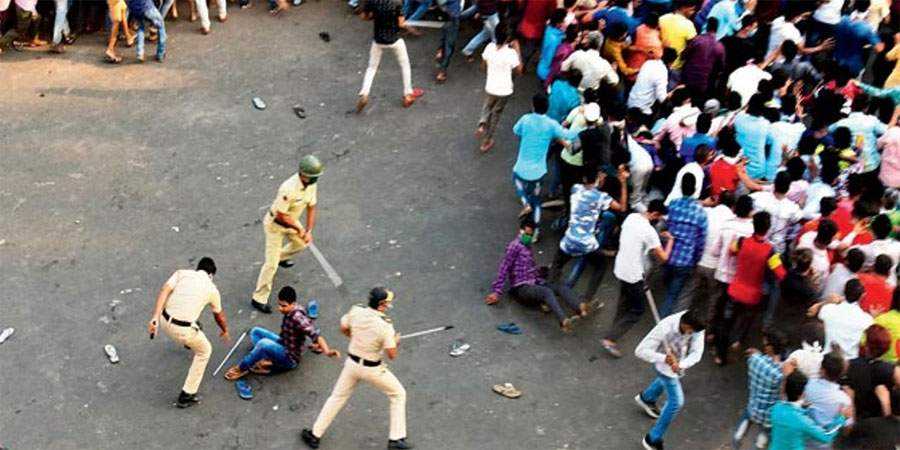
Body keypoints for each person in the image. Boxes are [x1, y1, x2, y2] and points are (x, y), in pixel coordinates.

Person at [302, 288, 413, 450]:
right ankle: (395, 439)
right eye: (387, 303)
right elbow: (392, 354)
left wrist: (358, 337)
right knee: (398, 394)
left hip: (352, 364)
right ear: (381, 305)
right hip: (372, 369)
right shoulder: (385, 325)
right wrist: (395, 341)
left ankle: (315, 435)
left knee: (337, 397)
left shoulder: (357, 310)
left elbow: (344, 327)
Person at [147, 257, 229, 408]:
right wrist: (224, 330)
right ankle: (187, 394)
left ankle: (188, 343)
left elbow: (165, 290)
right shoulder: (212, 289)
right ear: (211, 275)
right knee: (205, 351)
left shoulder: (182, 273)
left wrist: (155, 317)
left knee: (197, 324)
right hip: (182, 330)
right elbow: (219, 316)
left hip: (164, 320)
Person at [486, 219, 588, 332]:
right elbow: (504, 268)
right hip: (521, 288)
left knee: (559, 287)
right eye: (526, 234)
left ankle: (579, 307)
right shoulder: (514, 246)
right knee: (546, 292)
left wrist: (543, 271)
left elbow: (530, 268)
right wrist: (496, 292)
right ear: (520, 231)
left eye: (530, 235)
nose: (528, 237)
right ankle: (563, 321)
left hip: (534, 282)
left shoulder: (527, 246)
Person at [601, 200, 673, 358]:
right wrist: (670, 241)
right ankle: (610, 338)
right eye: (659, 218)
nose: (659, 221)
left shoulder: (631, 217)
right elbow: (663, 258)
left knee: (624, 301)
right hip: (634, 274)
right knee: (637, 309)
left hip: (620, 267)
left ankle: (614, 330)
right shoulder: (649, 231)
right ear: (655, 214)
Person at [251, 155, 323, 314]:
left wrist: (308, 230)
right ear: (304, 175)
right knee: (270, 265)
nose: (315, 179)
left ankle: (281, 257)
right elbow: (280, 216)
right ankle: (259, 298)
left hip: (291, 220)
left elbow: (312, 207)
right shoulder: (288, 188)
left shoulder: (311, 185)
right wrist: (299, 229)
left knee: (302, 243)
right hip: (275, 225)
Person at [225, 286, 340, 380]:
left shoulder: (297, 318)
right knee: (255, 332)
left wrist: (327, 351)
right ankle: (265, 356)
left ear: (292, 304)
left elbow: (315, 335)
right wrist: (314, 345)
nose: (280, 308)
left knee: (263, 344)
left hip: (289, 357)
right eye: (279, 304)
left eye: (283, 306)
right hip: (283, 342)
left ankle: (243, 368)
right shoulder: (293, 309)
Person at [716, 212, 785, 365]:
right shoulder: (770, 251)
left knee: (727, 322)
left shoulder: (741, 242)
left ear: (753, 225)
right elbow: (780, 274)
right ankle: (737, 341)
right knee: (746, 319)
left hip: (735, 289)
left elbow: (731, 252)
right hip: (753, 295)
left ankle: (720, 355)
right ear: (768, 228)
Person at [550, 166, 628, 297]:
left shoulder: (575, 189)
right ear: (597, 179)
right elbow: (622, 208)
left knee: (557, 264)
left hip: (569, 238)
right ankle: (587, 298)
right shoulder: (601, 197)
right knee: (600, 266)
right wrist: (623, 183)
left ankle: (550, 293)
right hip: (587, 243)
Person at [634, 309, 706, 450]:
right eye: (691, 332)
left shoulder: (697, 326)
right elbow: (640, 351)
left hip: (677, 363)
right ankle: (652, 439)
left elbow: (697, 353)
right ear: (685, 325)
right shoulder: (664, 327)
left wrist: (681, 365)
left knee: (669, 380)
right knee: (676, 402)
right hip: (662, 368)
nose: (693, 335)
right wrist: (664, 358)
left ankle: (647, 398)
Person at [512, 95, 577, 240]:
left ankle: (525, 203)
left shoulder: (525, 119)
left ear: (533, 105)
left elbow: (516, 130)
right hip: (538, 173)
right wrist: (581, 124)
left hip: (521, 168)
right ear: (547, 108)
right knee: (536, 201)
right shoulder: (551, 124)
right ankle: (535, 232)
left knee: (516, 179)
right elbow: (568, 134)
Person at [356, 0, 425, 113]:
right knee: (405, 65)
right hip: (394, 39)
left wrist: (373, 17)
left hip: (378, 39)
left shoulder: (373, 1)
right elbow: (401, 23)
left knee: (372, 68)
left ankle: (364, 92)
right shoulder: (397, 2)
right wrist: (410, 28)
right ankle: (407, 93)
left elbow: (364, 16)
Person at [659, 173, 708, 317]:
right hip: (685, 260)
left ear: (681, 187)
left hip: (668, 255)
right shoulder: (700, 212)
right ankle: (662, 323)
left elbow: (667, 225)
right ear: (695, 189)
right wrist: (696, 260)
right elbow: (701, 241)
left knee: (668, 287)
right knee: (672, 296)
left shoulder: (673, 204)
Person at [731, 331, 788, 450]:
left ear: (770, 348)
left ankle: (737, 440)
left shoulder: (754, 359)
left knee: (744, 422)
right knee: (762, 440)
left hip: (753, 407)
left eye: (765, 344)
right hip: (768, 416)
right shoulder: (779, 375)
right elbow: (783, 394)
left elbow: (760, 360)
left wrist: (759, 354)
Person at [767, 371, 849, 450]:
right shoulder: (802, 421)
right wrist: (841, 418)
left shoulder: (776, 407)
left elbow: (788, 419)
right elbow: (826, 436)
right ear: (802, 393)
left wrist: (802, 408)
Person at [477, 26, 523, 153]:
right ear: (508, 39)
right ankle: (487, 140)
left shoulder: (489, 47)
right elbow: (519, 71)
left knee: (487, 105)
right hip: (505, 89)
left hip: (491, 85)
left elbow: (483, 66)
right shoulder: (511, 54)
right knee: (496, 113)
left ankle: (482, 123)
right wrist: (517, 49)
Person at [845, 324, 900, 420]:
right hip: (882, 420)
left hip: (857, 418)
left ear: (867, 345)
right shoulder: (891, 370)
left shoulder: (849, 365)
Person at [809, 279, 874, 359]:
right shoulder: (867, 320)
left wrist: (828, 302)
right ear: (862, 295)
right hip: (849, 360)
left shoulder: (828, 309)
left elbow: (820, 311)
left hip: (826, 357)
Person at [804, 351, 853, 450]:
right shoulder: (844, 399)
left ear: (822, 369)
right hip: (826, 446)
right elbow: (848, 430)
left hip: (803, 443)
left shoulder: (806, 385)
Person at [833, 0, 884, 77]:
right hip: (853, 64)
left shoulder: (843, 19)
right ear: (867, 8)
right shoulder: (866, 28)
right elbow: (879, 48)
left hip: (838, 58)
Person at [679, 17, 725, 101]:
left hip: (687, 78)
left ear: (707, 27)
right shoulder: (720, 47)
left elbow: (683, 56)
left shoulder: (697, 40)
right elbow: (721, 68)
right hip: (703, 83)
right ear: (717, 30)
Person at [627, 47, 678, 116]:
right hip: (641, 109)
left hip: (631, 100)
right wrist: (673, 93)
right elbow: (661, 97)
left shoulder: (648, 63)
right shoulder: (662, 72)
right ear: (671, 62)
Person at [658, 0, 698, 70]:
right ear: (684, 8)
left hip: (658, 63)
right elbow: (693, 46)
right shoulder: (688, 25)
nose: (693, 12)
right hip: (675, 67)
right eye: (691, 10)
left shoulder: (662, 18)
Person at [536, 8, 568, 84]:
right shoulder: (555, 40)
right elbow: (550, 58)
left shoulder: (549, 29)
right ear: (558, 23)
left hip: (542, 66)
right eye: (563, 21)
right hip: (546, 73)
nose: (565, 22)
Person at [434, 0, 461, 83]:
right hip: (453, 17)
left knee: (444, 37)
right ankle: (442, 72)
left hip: (445, 16)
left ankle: (440, 52)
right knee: (449, 45)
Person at [873, 288, 900, 363]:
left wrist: (872, 318)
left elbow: (865, 341)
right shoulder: (882, 319)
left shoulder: (882, 319)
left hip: (884, 365)